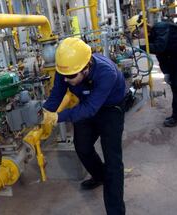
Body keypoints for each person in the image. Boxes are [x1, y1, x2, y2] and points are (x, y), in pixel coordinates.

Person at [42, 38, 127, 215]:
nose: (66, 79)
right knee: (82, 147)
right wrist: (43, 114)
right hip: (87, 104)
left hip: (111, 108)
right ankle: (99, 176)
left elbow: (90, 109)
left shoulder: (106, 73)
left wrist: (57, 117)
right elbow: (57, 94)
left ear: (86, 67)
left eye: (71, 77)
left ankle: (116, 211)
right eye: (63, 75)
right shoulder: (67, 68)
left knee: (113, 162)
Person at [127, 15, 177, 127]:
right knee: (175, 84)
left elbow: (160, 47)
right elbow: (161, 56)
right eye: (134, 34)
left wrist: (139, 47)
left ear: (143, 26)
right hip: (174, 55)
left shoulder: (161, 28)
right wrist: (167, 73)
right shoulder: (150, 38)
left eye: (136, 32)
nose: (136, 35)